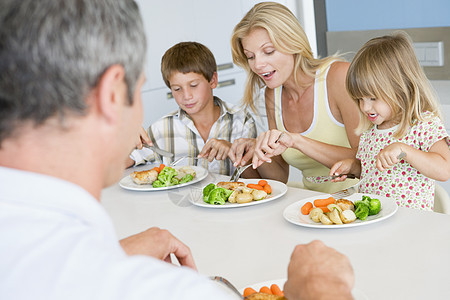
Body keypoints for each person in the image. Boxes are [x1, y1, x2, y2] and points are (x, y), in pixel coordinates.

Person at [0, 0, 354, 299]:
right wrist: (320, 287)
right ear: (111, 95)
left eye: (267, 52)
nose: (259, 64)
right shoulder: (170, 288)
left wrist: (115, 253)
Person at [228, 2, 360, 193]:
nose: (257, 65)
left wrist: (296, 141)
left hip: (363, 199)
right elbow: (279, 176)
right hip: (313, 207)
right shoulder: (272, 93)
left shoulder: (338, 77)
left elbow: (364, 160)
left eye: (268, 51)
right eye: (250, 56)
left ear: (292, 43)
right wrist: (258, 148)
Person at [330, 32, 450, 211]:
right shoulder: (370, 132)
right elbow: (372, 173)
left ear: (401, 89)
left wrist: (404, 150)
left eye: (372, 98)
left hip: (410, 226)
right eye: (360, 99)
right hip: (376, 223)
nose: (365, 107)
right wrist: (354, 167)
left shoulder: (423, 125)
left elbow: (443, 170)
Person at [128, 41, 258, 177]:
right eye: (177, 89)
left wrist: (234, 152)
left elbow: (256, 181)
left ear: (213, 80)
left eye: (194, 85)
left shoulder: (241, 120)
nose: (186, 96)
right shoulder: (161, 130)